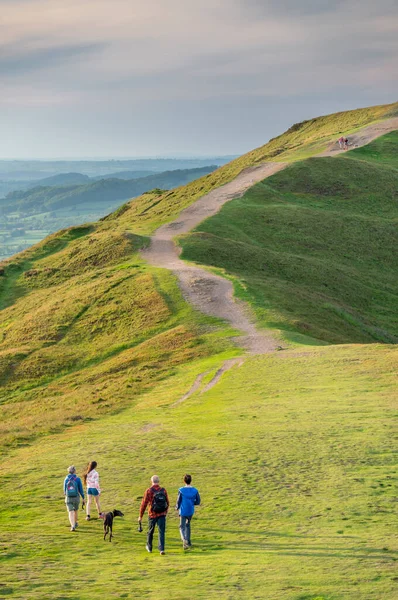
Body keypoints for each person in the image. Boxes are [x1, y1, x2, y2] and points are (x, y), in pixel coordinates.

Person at [138, 475, 169, 555]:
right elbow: (167, 502)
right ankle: (161, 549)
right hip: (162, 514)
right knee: (161, 531)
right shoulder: (163, 490)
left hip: (152, 514)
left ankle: (149, 547)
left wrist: (140, 516)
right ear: (158, 481)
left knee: (150, 531)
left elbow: (144, 504)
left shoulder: (149, 491)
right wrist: (165, 511)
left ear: (151, 481)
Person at [175, 474, 201, 549]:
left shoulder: (181, 490)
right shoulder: (195, 490)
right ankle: (188, 542)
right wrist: (192, 503)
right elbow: (198, 501)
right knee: (188, 525)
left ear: (184, 481)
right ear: (191, 481)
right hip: (190, 510)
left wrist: (177, 507)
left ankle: (184, 540)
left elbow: (179, 501)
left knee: (181, 527)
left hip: (183, 510)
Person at [64, 465, 85, 532]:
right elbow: (81, 490)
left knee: (70, 512)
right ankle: (75, 523)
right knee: (75, 510)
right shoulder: (77, 479)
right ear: (75, 471)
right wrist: (83, 498)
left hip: (68, 498)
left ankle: (72, 526)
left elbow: (64, 490)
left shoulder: (66, 479)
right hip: (76, 498)